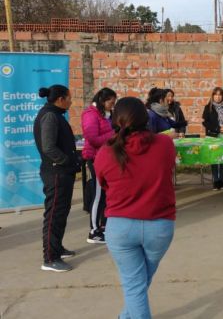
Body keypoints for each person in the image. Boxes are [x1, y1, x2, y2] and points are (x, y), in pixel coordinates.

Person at [94, 97, 176, 319]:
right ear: (145, 118)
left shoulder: (105, 152)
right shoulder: (165, 144)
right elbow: (168, 167)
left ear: (116, 120)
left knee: (135, 284)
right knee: (138, 283)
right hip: (159, 226)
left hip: (121, 227)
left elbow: (103, 184)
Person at [33, 85, 81, 272]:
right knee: (53, 215)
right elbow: (49, 148)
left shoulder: (55, 114)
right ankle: (50, 258)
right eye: (69, 98)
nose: (71, 101)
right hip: (56, 174)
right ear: (60, 99)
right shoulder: (50, 116)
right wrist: (67, 160)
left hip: (62, 172)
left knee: (61, 212)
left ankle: (57, 248)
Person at [81, 87, 117, 244]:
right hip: (95, 158)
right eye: (111, 102)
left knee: (104, 195)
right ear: (103, 100)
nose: (112, 105)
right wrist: (115, 135)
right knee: (97, 195)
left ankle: (102, 226)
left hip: (106, 158)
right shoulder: (90, 114)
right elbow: (93, 138)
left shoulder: (105, 115)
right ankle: (94, 231)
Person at [202, 87, 223, 190]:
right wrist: (217, 129)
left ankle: (221, 180)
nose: (218, 97)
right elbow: (205, 122)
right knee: (214, 157)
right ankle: (215, 180)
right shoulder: (208, 107)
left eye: (220, 94)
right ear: (213, 96)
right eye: (216, 95)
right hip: (213, 136)